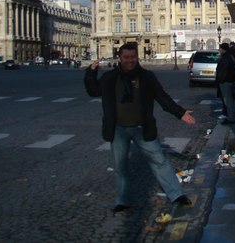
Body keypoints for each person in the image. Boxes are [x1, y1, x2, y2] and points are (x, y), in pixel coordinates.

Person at [83, 43, 195, 213]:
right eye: (126, 57)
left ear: (137, 57)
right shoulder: (110, 77)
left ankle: (176, 194)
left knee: (159, 161)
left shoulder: (146, 77)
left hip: (142, 127)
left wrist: (180, 113)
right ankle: (123, 200)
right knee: (120, 167)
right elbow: (93, 91)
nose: (130, 60)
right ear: (120, 58)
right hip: (118, 129)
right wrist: (91, 72)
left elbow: (162, 97)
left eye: (133, 57)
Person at [216, 43, 235, 124]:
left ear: (223, 49)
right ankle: (232, 116)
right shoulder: (229, 56)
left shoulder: (225, 58)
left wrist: (220, 80)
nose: (219, 50)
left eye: (220, 48)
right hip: (229, 80)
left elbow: (223, 71)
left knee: (228, 100)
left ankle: (231, 118)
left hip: (226, 81)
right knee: (230, 100)